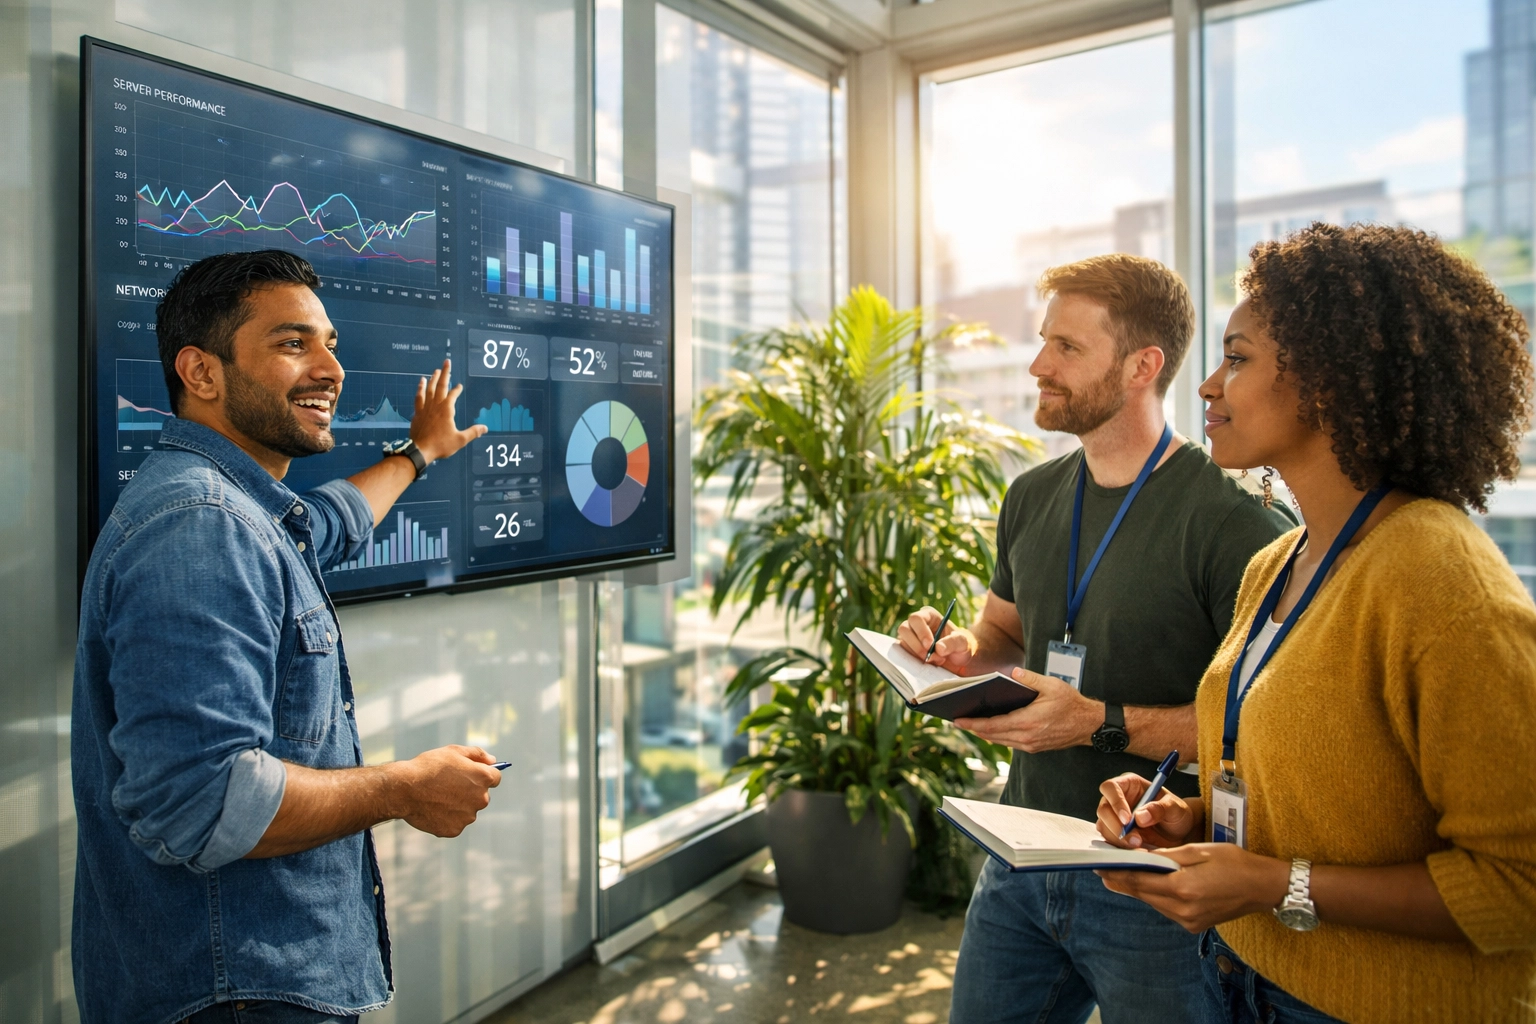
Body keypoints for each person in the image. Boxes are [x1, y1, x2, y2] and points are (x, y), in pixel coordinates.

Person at [1095, 223, 1536, 1024]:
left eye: (1238, 359)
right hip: (1240, 977)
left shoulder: (1442, 580)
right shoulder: (1277, 563)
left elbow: (1521, 885)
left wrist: (1273, 884)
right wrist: (1190, 819)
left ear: (1330, 381)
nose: (1209, 387)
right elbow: (1325, 796)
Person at [73, 250, 495, 1024]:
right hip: (239, 991)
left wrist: (420, 453)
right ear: (201, 373)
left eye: (329, 343)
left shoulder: (242, 514)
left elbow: (330, 522)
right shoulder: (201, 527)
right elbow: (205, 801)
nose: (331, 368)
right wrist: (404, 788)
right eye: (292, 343)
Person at [898, 254, 1294, 1024]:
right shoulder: (1031, 495)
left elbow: (1262, 730)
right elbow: (1002, 632)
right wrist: (957, 652)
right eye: (1043, 341)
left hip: (1153, 881)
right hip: (1019, 854)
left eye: (1067, 348)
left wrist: (1096, 722)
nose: (1039, 366)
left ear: (1143, 366)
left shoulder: (1236, 523)